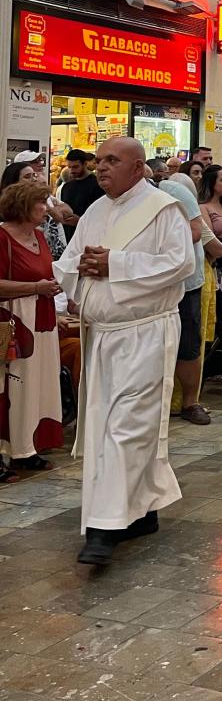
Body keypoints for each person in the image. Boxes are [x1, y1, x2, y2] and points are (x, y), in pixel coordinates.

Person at [54, 138, 194, 566]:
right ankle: (143, 508)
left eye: (112, 161)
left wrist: (116, 264)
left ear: (138, 168)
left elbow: (180, 263)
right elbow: (68, 262)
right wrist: (83, 266)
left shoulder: (162, 208)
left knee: (127, 426)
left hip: (144, 334)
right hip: (103, 337)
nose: (101, 168)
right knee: (105, 427)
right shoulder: (96, 210)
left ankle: (103, 527)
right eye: (99, 161)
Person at [0, 181, 63, 475]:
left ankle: (29, 445)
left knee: (40, 382)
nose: (46, 208)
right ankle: (11, 447)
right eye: (41, 203)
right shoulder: (2, 237)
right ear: (25, 205)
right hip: (16, 319)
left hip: (43, 317)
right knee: (15, 384)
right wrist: (35, 286)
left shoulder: (39, 236)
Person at [157, 166, 219, 426]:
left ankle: (190, 402)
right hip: (155, 283)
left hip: (186, 283)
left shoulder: (173, 191)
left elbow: (196, 233)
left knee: (188, 345)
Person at [57, 149, 104, 239]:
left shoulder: (97, 185)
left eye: (75, 167)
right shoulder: (67, 186)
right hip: (68, 237)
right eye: (69, 167)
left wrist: (79, 221)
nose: (72, 170)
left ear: (85, 164)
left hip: (89, 237)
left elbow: (100, 216)